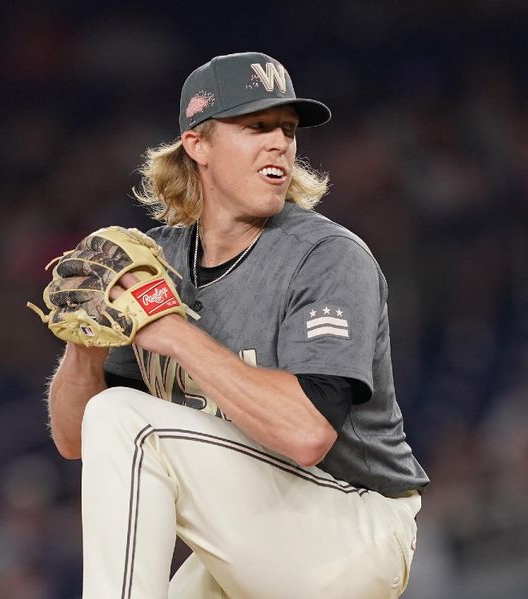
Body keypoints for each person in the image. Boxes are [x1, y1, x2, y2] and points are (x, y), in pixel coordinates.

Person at [46, 51, 429, 598]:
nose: (281, 143)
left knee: (128, 417)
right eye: (256, 126)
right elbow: (74, 439)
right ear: (197, 144)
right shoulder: (162, 263)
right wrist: (85, 343)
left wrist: (172, 332)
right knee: (114, 416)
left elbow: (307, 433)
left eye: (288, 129)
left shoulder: (325, 256)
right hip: (260, 529)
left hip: (350, 526)